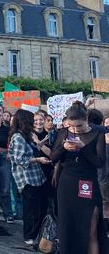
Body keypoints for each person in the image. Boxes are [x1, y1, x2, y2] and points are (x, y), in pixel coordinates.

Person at [51, 102, 109, 253]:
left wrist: (83, 148)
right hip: (67, 184)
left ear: (86, 120)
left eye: (79, 126)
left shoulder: (97, 134)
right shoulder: (63, 132)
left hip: (88, 182)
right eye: (72, 126)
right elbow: (52, 157)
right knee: (67, 227)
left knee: (91, 227)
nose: (75, 130)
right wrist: (63, 148)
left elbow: (99, 163)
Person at [8, 109, 49, 246]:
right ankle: (29, 236)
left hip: (36, 178)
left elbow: (33, 149)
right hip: (27, 179)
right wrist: (38, 160)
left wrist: (41, 142)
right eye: (31, 120)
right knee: (31, 210)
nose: (34, 123)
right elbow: (20, 159)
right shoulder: (18, 137)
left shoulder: (26, 136)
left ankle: (36, 234)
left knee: (40, 207)